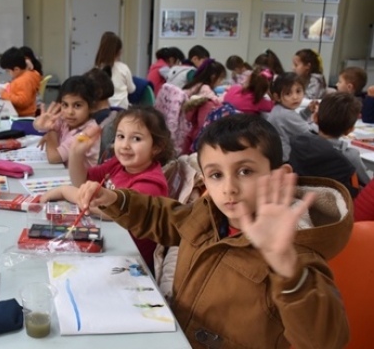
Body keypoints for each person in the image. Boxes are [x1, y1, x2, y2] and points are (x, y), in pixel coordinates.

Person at [76, 114, 350, 349]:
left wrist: (289, 270)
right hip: (176, 338)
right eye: (217, 175)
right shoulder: (208, 213)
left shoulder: (293, 251)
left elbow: (325, 340)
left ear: (278, 176)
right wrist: (115, 200)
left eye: (244, 171)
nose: (229, 188)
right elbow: (162, 216)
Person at [41, 107, 173, 270]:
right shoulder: (118, 164)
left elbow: (111, 211)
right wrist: (76, 153)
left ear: (156, 147)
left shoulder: (151, 183)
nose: (125, 145)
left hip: (131, 261)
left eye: (136, 139)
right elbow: (81, 181)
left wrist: (64, 191)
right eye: (121, 136)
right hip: (111, 242)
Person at [33, 75, 100, 167]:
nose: (69, 112)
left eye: (77, 105)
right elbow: (42, 126)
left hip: (84, 180)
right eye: (65, 105)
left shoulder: (89, 132)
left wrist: (50, 133)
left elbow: (53, 157)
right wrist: (39, 124)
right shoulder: (65, 121)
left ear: (92, 107)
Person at [313, 92, 370, 185]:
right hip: (340, 197)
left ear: (315, 118)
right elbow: (367, 183)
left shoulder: (300, 143)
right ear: (349, 130)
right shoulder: (350, 156)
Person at [266, 72, 315, 162]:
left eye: (298, 91)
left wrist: (307, 112)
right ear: (277, 97)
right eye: (288, 93)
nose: (295, 97)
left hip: (276, 156)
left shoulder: (279, 109)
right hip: (286, 159)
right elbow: (309, 135)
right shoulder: (285, 114)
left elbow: (294, 122)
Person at [94, 31, 135, 109]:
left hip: (104, 110)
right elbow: (131, 90)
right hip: (121, 110)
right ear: (119, 52)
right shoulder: (124, 68)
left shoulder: (96, 69)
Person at [0, 47, 41, 117]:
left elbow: (22, 101)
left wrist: (4, 94)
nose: (8, 73)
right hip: (23, 113)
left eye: (8, 71)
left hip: (22, 116)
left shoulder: (23, 80)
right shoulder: (30, 74)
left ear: (16, 69)